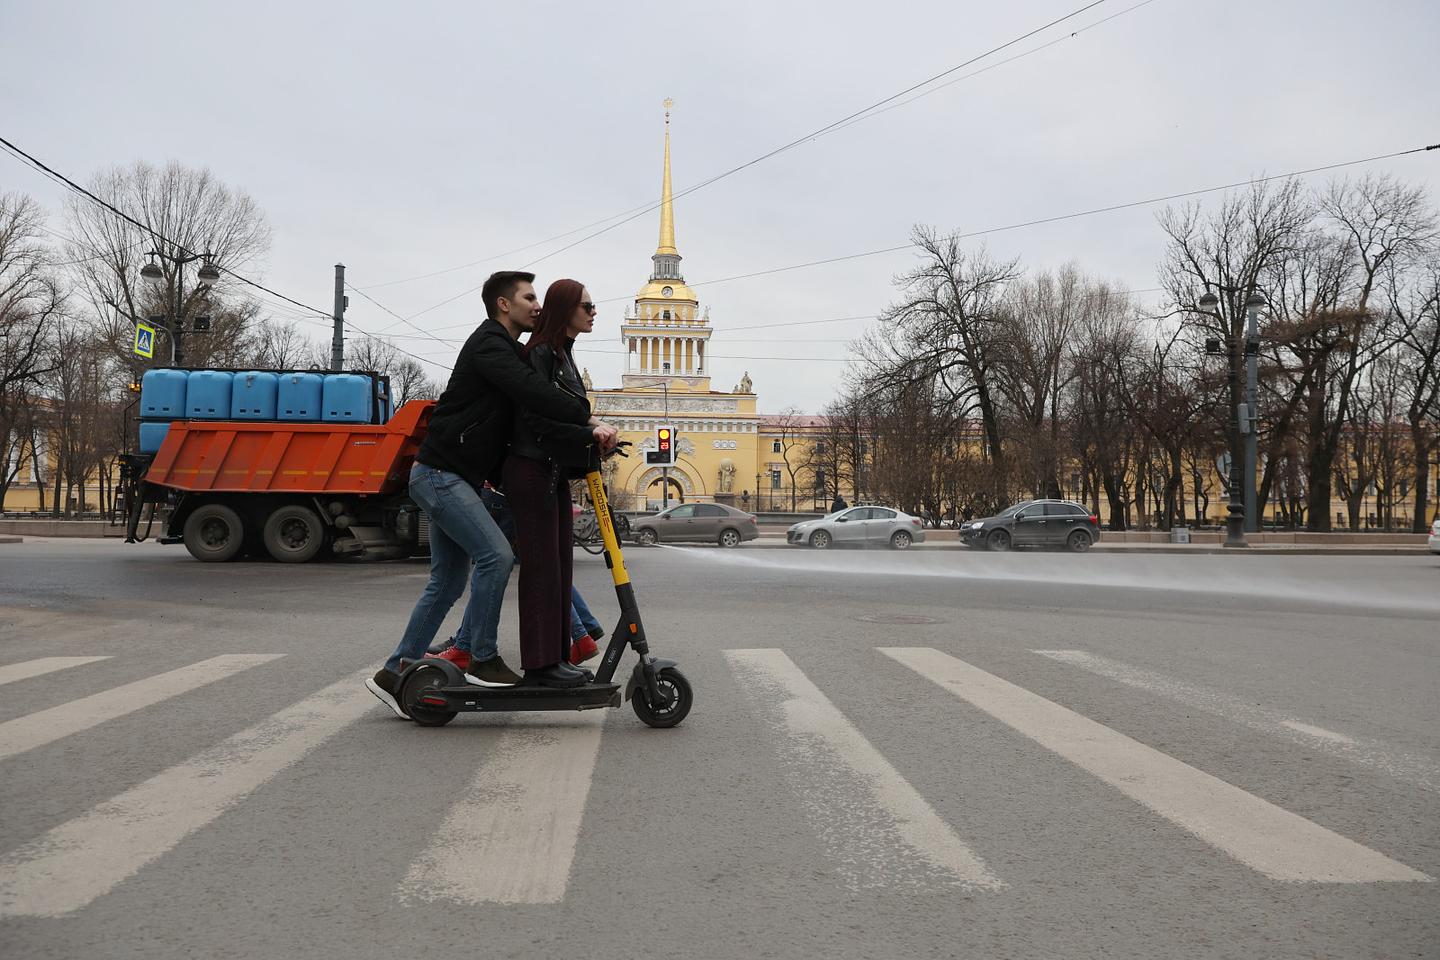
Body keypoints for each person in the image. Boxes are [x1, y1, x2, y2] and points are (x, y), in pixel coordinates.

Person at [365, 271, 616, 717]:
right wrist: (587, 419)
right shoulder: (491, 346)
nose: (536, 305)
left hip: (455, 476)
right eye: (529, 297)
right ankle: (480, 655)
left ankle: (394, 669)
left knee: (447, 582)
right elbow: (533, 392)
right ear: (504, 305)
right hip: (441, 475)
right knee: (496, 557)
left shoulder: (509, 349)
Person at [505, 278, 615, 687]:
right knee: (540, 571)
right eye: (586, 305)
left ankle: (556, 658)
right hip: (530, 469)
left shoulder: (564, 355)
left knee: (561, 569)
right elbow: (537, 421)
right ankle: (539, 666)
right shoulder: (541, 354)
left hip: (551, 471)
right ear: (566, 308)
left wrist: (594, 440)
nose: (592, 312)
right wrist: (588, 434)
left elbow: (567, 417)